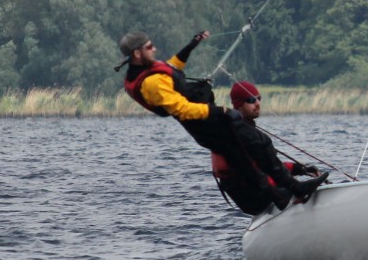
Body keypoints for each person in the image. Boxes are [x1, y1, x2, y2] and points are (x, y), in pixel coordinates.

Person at [116, 30, 287, 208]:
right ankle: (282, 193)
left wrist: (191, 45)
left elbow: (173, 66)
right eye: (150, 46)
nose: (154, 49)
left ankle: (285, 190)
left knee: (258, 147)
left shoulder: (150, 70)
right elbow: (183, 109)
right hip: (247, 190)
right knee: (253, 147)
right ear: (137, 53)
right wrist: (221, 111)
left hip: (206, 121)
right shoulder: (151, 82)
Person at [211, 80, 329, 215]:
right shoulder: (240, 134)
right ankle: (295, 193)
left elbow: (268, 166)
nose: (257, 103)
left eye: (258, 98)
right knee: (298, 187)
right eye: (251, 100)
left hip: (257, 193)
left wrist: (300, 169)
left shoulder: (241, 129)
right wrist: (289, 190)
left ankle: (293, 192)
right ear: (239, 105)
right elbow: (263, 172)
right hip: (255, 198)